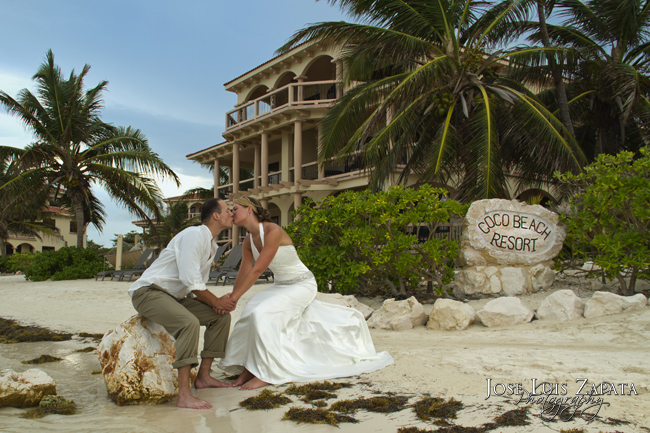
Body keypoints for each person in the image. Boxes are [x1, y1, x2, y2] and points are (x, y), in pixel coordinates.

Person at [218, 197, 393, 390]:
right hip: (281, 285)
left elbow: (258, 270)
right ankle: (249, 368)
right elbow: (244, 270)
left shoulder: (272, 231)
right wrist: (233, 297)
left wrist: (233, 298)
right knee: (250, 310)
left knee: (263, 314)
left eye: (235, 209)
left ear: (249, 209)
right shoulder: (248, 240)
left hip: (302, 284)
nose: (232, 213)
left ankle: (267, 372)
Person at [128, 198, 236, 409]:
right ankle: (184, 395)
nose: (231, 213)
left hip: (174, 297)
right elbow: (190, 279)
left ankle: (204, 377)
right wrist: (216, 300)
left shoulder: (211, 245)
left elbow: (195, 287)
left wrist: (215, 306)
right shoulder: (194, 235)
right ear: (216, 215)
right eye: (227, 210)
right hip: (148, 292)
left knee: (220, 317)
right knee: (189, 323)